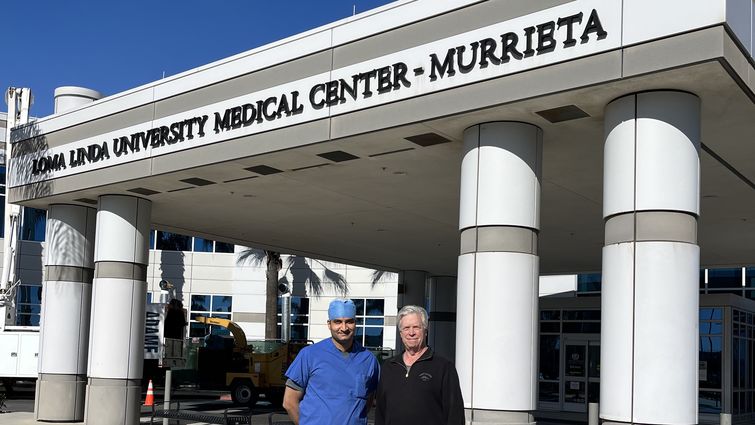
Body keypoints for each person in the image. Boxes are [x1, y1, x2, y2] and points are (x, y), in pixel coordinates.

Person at [283, 299, 380, 425]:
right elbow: (289, 402)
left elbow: (368, 400)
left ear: (356, 323)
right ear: (329, 324)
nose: (344, 328)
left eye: (349, 322)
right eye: (338, 322)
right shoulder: (309, 355)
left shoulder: (368, 360)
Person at [375, 305, 464, 425]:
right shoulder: (388, 367)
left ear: (425, 331)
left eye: (416, 327)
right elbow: (380, 413)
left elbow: (455, 415)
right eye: (406, 328)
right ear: (401, 333)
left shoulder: (443, 367)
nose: (411, 333)